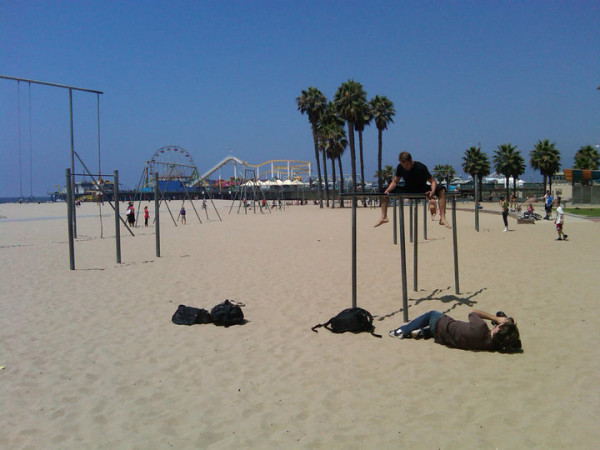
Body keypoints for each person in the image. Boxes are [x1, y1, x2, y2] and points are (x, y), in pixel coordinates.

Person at [389, 309, 522, 352]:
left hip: (441, 326)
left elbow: (472, 312)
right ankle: (423, 332)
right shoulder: (492, 345)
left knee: (431, 314)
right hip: (445, 338)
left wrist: (496, 318)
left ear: (498, 328)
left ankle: (401, 331)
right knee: (458, 328)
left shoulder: (481, 328)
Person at [375, 152, 450, 228]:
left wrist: (433, 191)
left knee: (441, 188)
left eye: (407, 165)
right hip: (408, 189)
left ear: (411, 161)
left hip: (422, 189)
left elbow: (433, 181)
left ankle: (443, 218)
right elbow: (395, 182)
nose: (405, 167)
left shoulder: (421, 167)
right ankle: (384, 217)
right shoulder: (400, 167)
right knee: (383, 191)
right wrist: (388, 190)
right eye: (403, 165)